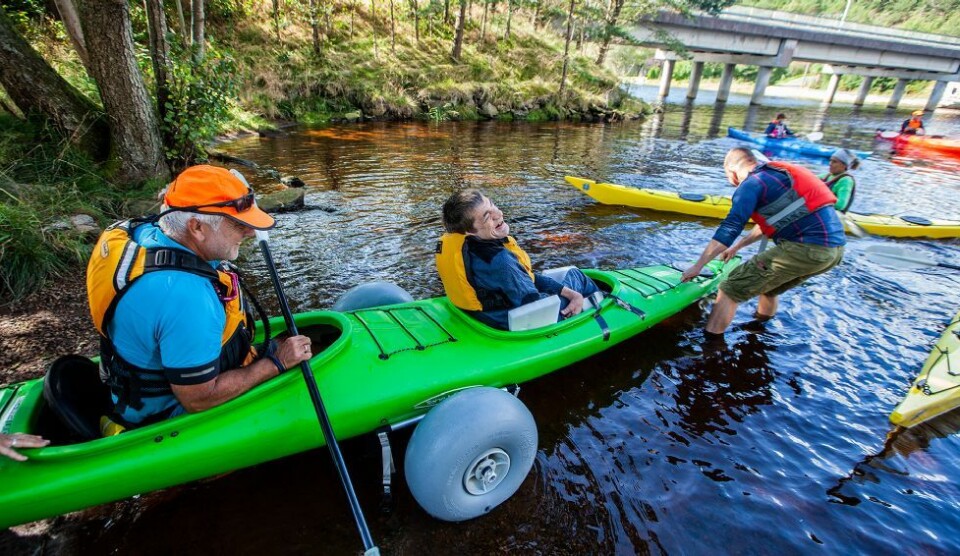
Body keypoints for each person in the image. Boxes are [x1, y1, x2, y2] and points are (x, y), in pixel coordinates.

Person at [87, 165, 313, 429]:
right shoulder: (185, 298)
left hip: (134, 376)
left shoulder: (144, 232)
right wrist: (275, 363)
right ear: (196, 227)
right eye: (238, 224)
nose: (251, 232)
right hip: (167, 411)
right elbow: (198, 399)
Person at [681, 148, 846, 339]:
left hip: (807, 248)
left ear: (732, 170)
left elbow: (730, 228)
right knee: (768, 289)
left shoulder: (751, 184)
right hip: (834, 251)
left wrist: (698, 266)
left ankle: (710, 347)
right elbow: (774, 221)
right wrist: (738, 247)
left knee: (730, 288)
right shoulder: (775, 176)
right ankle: (760, 332)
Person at [436, 189, 599, 330]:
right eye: (487, 217)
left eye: (492, 205)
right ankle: (600, 311)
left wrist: (562, 290)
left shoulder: (461, 245)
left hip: (480, 315)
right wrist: (572, 295)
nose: (499, 214)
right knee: (576, 275)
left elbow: (524, 279)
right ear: (470, 233)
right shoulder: (501, 261)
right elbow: (534, 305)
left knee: (562, 283)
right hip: (509, 321)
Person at [820, 149, 860, 213]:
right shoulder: (827, 176)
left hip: (835, 215)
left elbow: (841, 205)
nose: (830, 164)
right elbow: (810, 179)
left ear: (844, 165)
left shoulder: (846, 180)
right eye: (830, 160)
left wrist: (819, 199)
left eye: (834, 162)